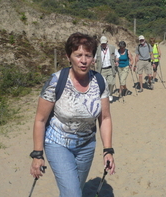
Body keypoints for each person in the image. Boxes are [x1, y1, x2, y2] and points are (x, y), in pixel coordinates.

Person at [30, 32, 115, 197]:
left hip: (86, 146)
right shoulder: (56, 81)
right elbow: (40, 120)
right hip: (58, 143)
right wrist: (37, 154)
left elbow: (105, 118)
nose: (83, 60)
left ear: (93, 58)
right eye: (78, 55)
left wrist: (108, 150)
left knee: (74, 190)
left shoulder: (99, 81)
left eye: (88, 55)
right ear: (69, 56)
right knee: (72, 194)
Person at [94, 36, 120, 102]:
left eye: (104, 43)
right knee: (103, 83)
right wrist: (93, 61)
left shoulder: (112, 48)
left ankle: (110, 94)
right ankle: (104, 95)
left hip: (111, 68)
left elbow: (117, 56)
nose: (103, 45)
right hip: (101, 69)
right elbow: (95, 58)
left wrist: (116, 61)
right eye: (102, 43)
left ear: (107, 42)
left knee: (111, 83)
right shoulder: (97, 49)